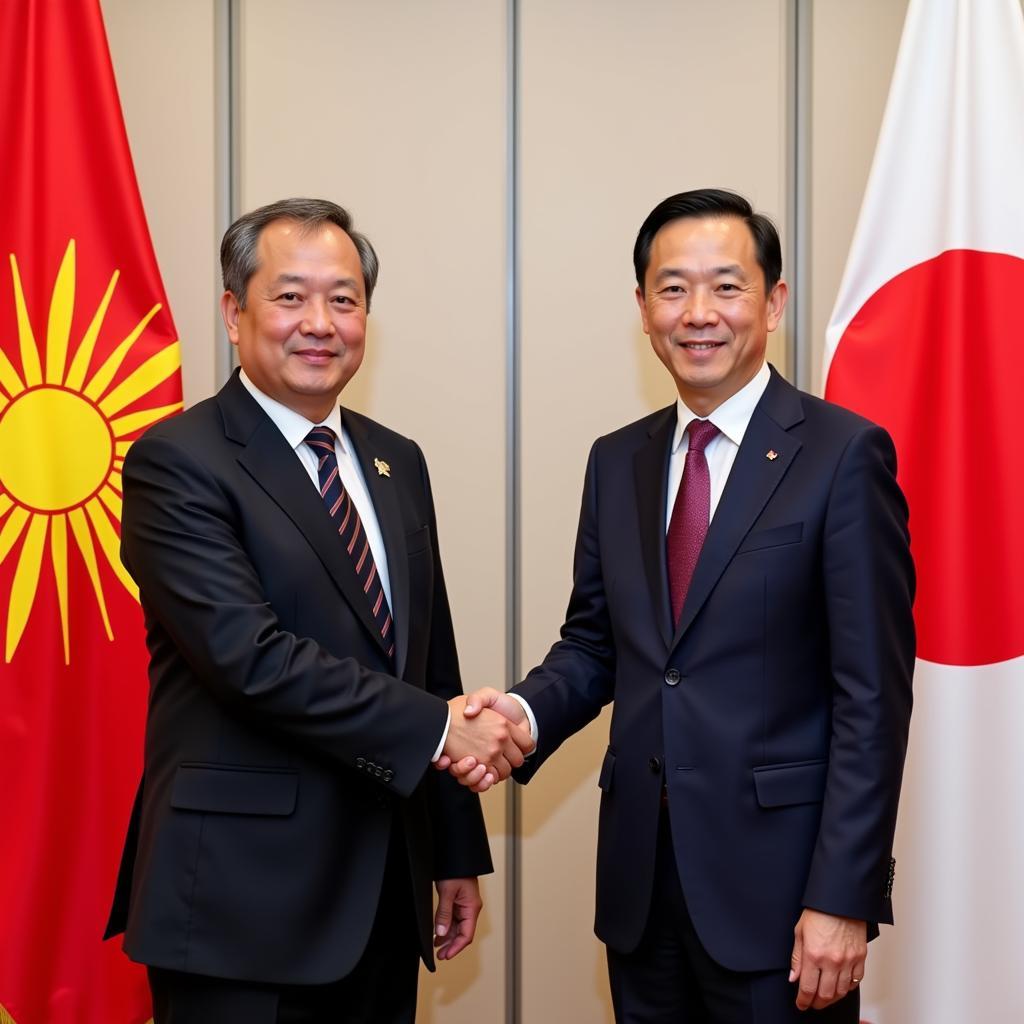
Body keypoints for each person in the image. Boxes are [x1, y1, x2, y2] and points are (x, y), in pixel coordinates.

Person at [447, 189, 915, 1022]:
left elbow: (872, 698)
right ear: (642, 308)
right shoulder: (617, 460)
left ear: (773, 302)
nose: (698, 313)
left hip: (783, 899)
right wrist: (519, 716)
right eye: (673, 288)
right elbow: (596, 646)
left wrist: (843, 897)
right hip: (642, 889)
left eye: (727, 286)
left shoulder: (843, 456)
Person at [104, 198, 534, 1024]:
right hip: (237, 907)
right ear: (234, 313)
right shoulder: (178, 463)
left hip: (379, 895)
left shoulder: (393, 460)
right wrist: (450, 731)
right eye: (290, 296)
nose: (320, 323)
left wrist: (451, 849)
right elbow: (249, 658)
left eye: (344, 299)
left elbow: (428, 661)